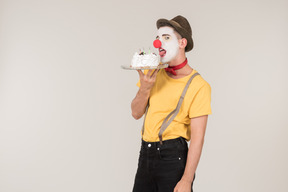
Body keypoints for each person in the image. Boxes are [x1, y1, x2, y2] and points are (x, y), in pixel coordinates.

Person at [131, 15, 212, 192]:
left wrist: (187, 180)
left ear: (182, 43)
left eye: (166, 38)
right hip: (145, 154)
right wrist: (144, 88)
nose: (159, 44)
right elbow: (136, 113)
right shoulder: (152, 74)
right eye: (158, 38)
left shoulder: (199, 85)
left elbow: (198, 138)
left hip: (173, 158)